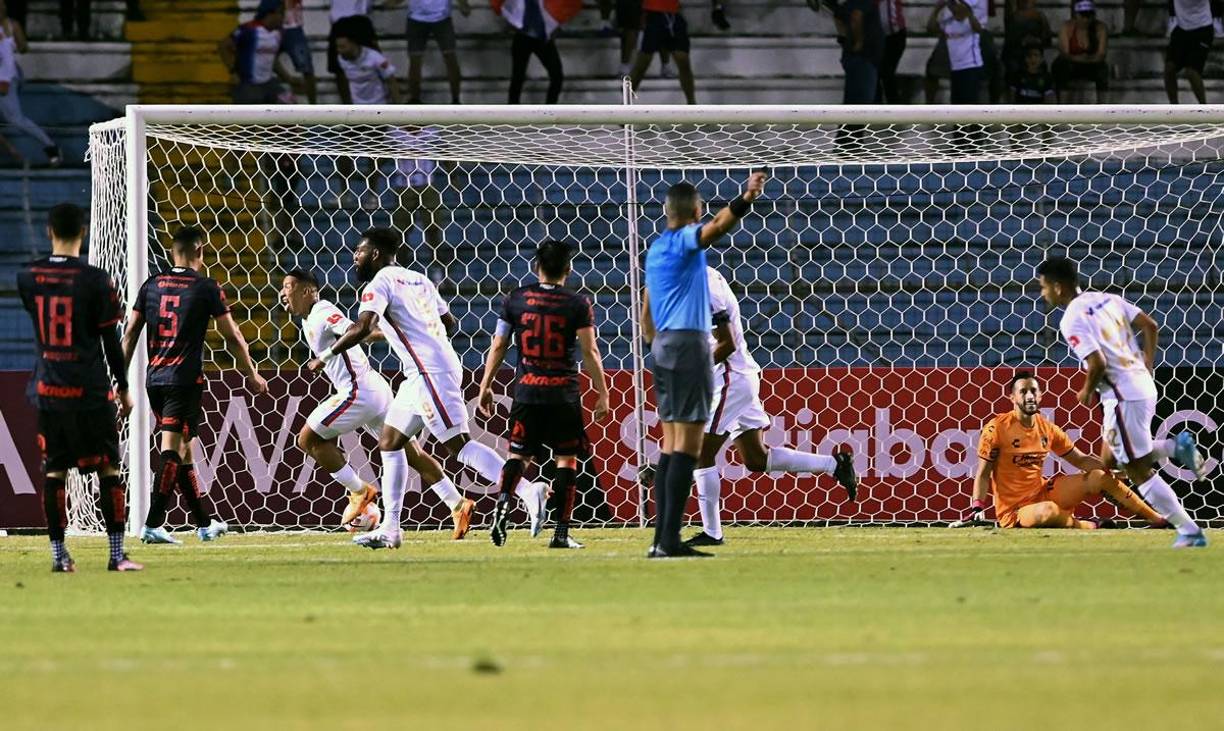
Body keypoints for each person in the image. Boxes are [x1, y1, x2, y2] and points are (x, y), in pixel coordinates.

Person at [307, 228, 548, 549]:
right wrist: (410, 331)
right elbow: (448, 321)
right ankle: (391, 529)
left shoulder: (379, 283)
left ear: (376, 254)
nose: (355, 256)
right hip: (420, 373)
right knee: (390, 442)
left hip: (429, 373)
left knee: (460, 447)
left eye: (360, 251)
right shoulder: (419, 278)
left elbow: (362, 326)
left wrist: (324, 356)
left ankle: (528, 490)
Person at [671, 266, 858, 547]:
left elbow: (726, 344)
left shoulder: (705, 286)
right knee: (756, 458)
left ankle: (712, 533)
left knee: (700, 453)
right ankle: (835, 465)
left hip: (729, 379)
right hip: (737, 376)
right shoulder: (704, 277)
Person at [1035, 256, 1208, 548]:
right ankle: (1172, 447)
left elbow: (1097, 363)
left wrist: (1086, 391)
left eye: (1043, 287)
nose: (1042, 294)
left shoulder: (1071, 319)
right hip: (1142, 385)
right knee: (1109, 461)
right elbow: (1150, 325)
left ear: (1058, 287)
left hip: (1122, 396)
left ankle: (1188, 529)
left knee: (1137, 470)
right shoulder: (1108, 299)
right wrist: (1148, 361)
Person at [641, 171, 766, 559]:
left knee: (670, 444)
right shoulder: (685, 243)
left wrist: (655, 341)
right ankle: (671, 541)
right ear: (696, 210)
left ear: (665, 213)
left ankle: (661, 539)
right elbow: (717, 227)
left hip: (663, 348)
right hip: (689, 345)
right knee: (688, 447)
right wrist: (747, 196)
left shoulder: (657, 249)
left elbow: (646, 311)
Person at [122, 226, 269, 545]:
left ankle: (204, 524)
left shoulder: (150, 284)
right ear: (200, 252)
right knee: (172, 449)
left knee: (185, 450)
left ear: (172, 251)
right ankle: (152, 523)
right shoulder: (206, 287)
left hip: (154, 379)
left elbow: (131, 332)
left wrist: (119, 382)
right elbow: (233, 335)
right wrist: (251, 373)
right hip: (183, 381)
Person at [17, 203, 141, 572]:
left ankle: (59, 558)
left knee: (54, 471)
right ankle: (116, 555)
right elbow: (109, 340)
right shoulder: (97, 280)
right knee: (108, 470)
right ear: (83, 233)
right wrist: (122, 388)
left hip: (50, 390)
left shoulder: (28, 277)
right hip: (90, 391)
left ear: (48, 231)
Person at [479, 240, 611, 549]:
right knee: (566, 460)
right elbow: (590, 351)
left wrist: (486, 385)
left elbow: (498, 345)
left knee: (518, 456)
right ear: (568, 269)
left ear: (536, 266)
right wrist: (602, 392)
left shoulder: (515, 299)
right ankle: (561, 534)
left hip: (527, 393)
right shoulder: (578, 303)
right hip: (562, 394)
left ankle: (502, 506)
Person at [965, 371, 1166, 530]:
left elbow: (1081, 460)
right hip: (1015, 510)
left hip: (1043, 492)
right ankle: (1088, 525)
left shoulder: (1047, 428)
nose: (1029, 396)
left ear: (1041, 395)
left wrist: (1115, 470)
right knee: (1048, 511)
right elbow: (983, 474)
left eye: (1034, 391)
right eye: (1023, 391)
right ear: (1012, 397)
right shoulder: (996, 429)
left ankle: (1158, 519)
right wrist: (977, 507)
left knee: (1098, 476)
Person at [280, 270, 388, 531]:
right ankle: (457, 503)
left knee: (308, 438)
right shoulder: (308, 320)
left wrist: (324, 357)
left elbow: (351, 329)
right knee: (409, 451)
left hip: (357, 391)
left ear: (307, 291)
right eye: (282, 288)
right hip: (375, 387)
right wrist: (388, 333)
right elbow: (358, 334)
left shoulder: (322, 310)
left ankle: (359, 491)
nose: (284, 294)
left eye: (288, 287)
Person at [0, 4, 60, 166]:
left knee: (16, 119)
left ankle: (50, 146)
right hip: (8, 75)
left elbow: (14, 54)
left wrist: (5, 80)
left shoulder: (10, 27)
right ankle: (14, 152)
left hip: (7, 77)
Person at [494, 0, 579, 104]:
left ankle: (549, 111)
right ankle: (513, 111)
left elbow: (563, 7)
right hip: (523, 36)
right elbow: (506, 7)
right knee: (517, 78)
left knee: (557, 76)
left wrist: (556, 26)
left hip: (542, 37)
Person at [218, 0, 298, 104]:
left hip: (268, 84)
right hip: (248, 85)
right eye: (281, 13)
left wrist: (289, 79)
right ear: (270, 14)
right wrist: (233, 72)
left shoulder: (278, 33)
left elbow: (272, 60)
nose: (283, 18)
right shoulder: (248, 29)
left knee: (291, 103)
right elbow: (223, 46)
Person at [629, 0, 697, 104]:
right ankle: (625, 102)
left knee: (683, 59)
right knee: (643, 63)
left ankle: (692, 103)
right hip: (652, 13)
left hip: (673, 13)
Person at [403, 0, 470, 104]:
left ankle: (456, 100)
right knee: (415, 60)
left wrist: (463, 4)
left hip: (440, 17)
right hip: (418, 18)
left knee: (450, 58)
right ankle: (415, 100)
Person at [928, 0, 986, 103]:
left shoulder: (970, 21)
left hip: (970, 67)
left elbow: (979, 29)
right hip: (955, 68)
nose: (952, 8)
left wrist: (969, 13)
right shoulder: (948, 22)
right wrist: (936, 10)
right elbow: (931, 28)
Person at [1052, 0, 1108, 102]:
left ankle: (1102, 108)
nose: (1085, 19)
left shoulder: (1100, 28)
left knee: (1103, 70)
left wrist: (1087, 60)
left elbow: (1101, 54)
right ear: (1075, 14)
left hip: (1091, 64)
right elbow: (1064, 53)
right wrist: (1078, 58)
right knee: (1061, 65)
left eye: (1088, 15)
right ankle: (1062, 108)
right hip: (1072, 63)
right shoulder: (1067, 27)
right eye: (1082, 15)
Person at [329, 0, 382, 104]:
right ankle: (348, 107)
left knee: (375, 63)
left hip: (358, 19)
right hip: (343, 20)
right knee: (339, 68)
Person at [833, 0, 884, 104]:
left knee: (852, 102)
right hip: (864, 58)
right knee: (863, 103)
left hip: (856, 58)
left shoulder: (847, 4)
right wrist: (858, 43)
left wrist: (844, 39)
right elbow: (856, 16)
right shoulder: (864, 3)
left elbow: (837, 18)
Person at [1165, 0, 1214, 103]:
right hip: (1181, 29)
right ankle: (1174, 109)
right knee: (1169, 69)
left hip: (1202, 29)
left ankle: (1205, 109)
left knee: (1192, 72)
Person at [1002, 0, 1051, 80]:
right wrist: (1022, 42)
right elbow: (1009, 42)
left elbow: (1047, 40)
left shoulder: (1040, 17)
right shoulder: (1013, 18)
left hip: (1034, 54)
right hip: (1015, 55)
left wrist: (1036, 41)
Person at [280, 0, 318, 103]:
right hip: (277, 23)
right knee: (263, 62)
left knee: (307, 68)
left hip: (292, 25)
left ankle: (313, 107)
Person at [877, 0, 907, 102]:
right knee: (878, 73)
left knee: (886, 72)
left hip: (894, 34)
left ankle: (893, 105)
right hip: (877, 34)